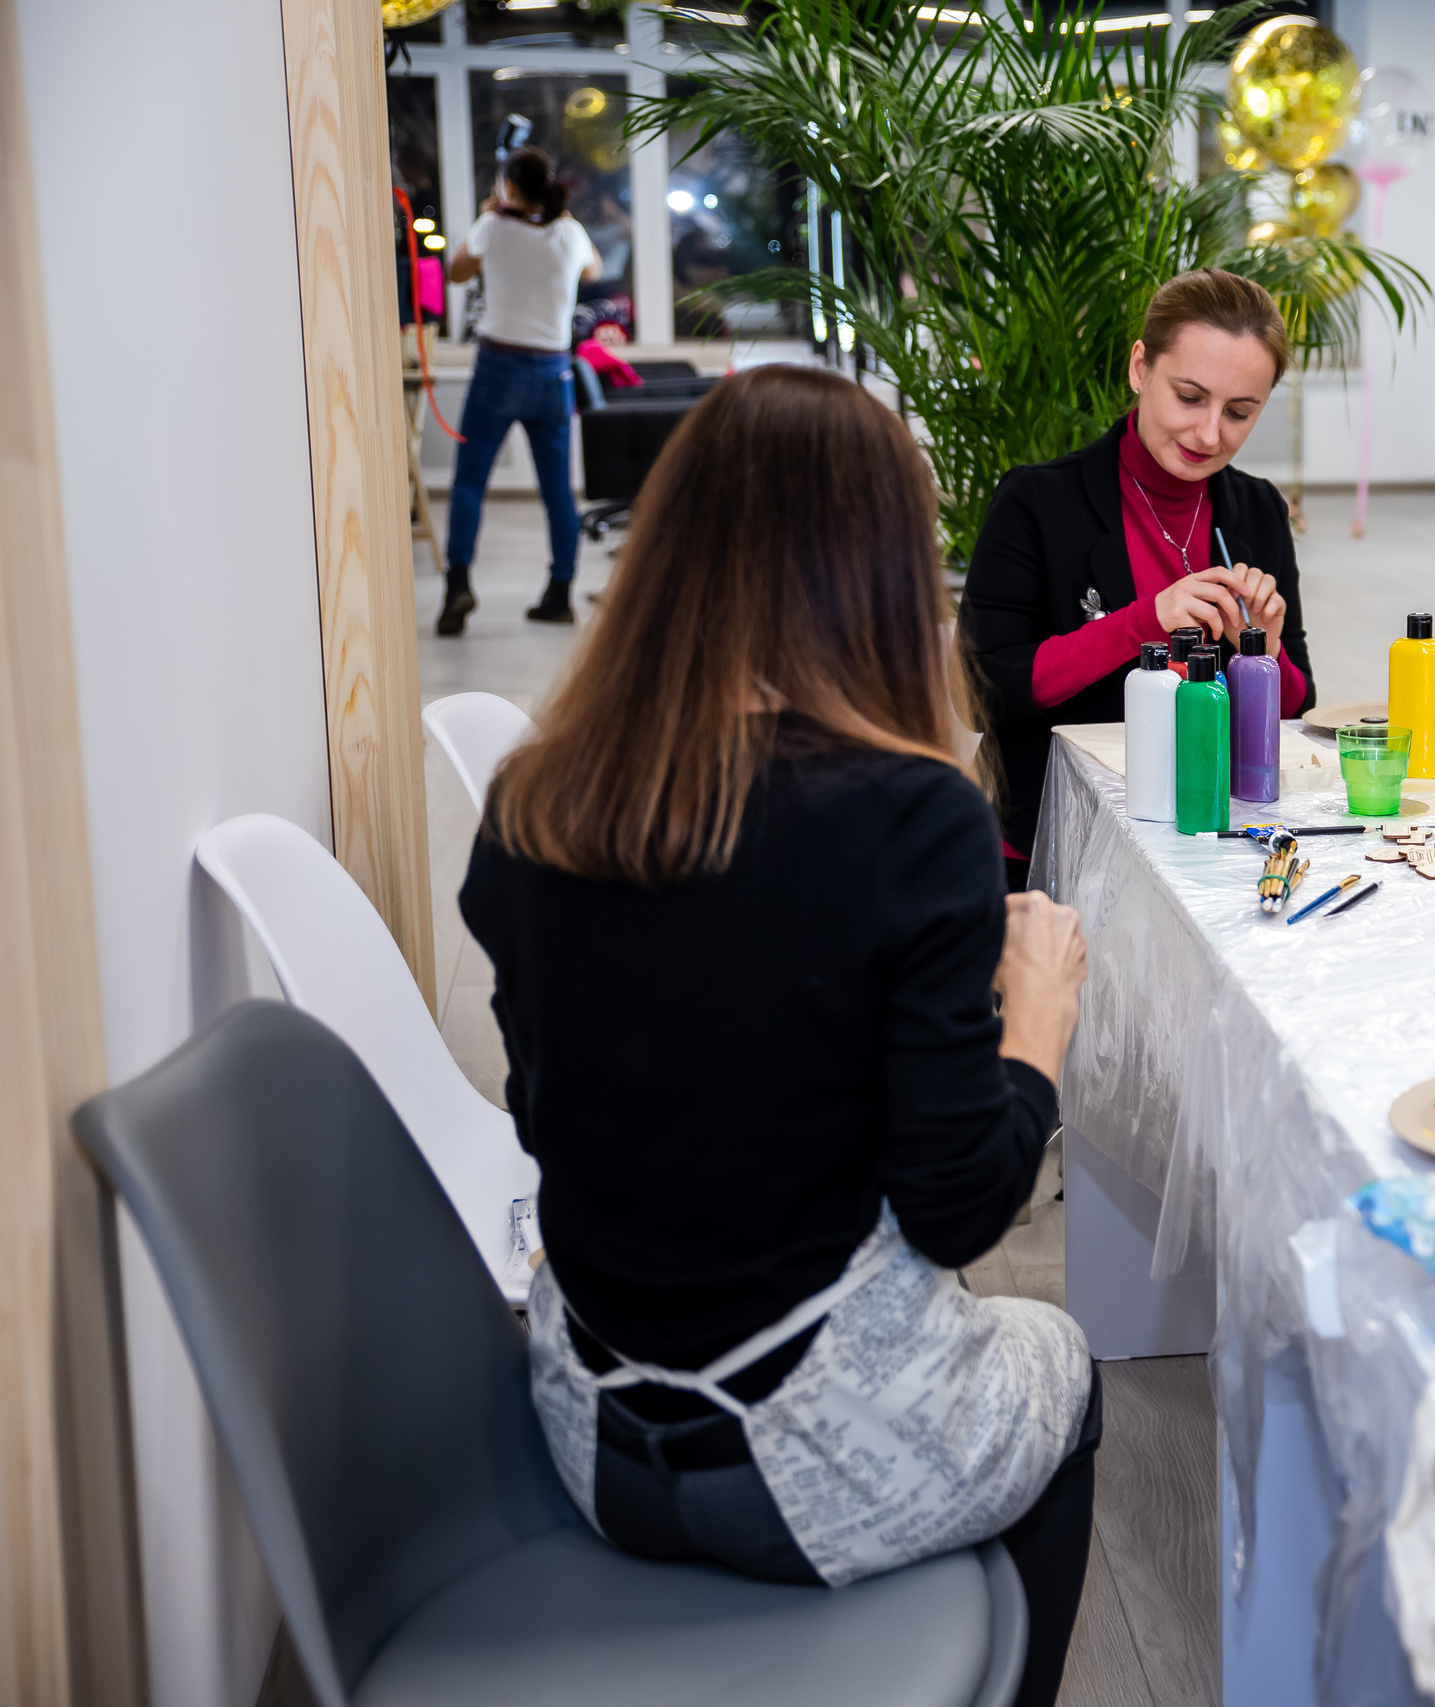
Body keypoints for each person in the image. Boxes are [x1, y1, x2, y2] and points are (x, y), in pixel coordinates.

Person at [460, 365, 1098, 1707]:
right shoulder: (910, 815)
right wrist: (1030, 1030)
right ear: (874, 573)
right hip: (799, 1461)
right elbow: (958, 1207)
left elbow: (548, 1113)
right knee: (1064, 1365)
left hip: (594, 1434)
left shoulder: (534, 798)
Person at [964, 269, 1315, 884]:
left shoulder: (1258, 510)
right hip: (1056, 846)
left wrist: (1266, 650)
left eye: (1239, 412)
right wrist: (1144, 621)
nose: (1209, 433)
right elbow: (983, 690)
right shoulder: (1039, 502)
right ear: (1139, 369)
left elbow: (1294, 706)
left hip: (1212, 841)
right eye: (1188, 397)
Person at [439, 146, 601, 636]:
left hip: (498, 368)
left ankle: (458, 585)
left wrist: (489, 215)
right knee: (558, 493)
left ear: (508, 186)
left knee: (470, 482)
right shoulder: (569, 233)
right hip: (553, 373)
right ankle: (560, 593)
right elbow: (592, 270)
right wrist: (557, 219)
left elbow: (457, 272)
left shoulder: (493, 227)